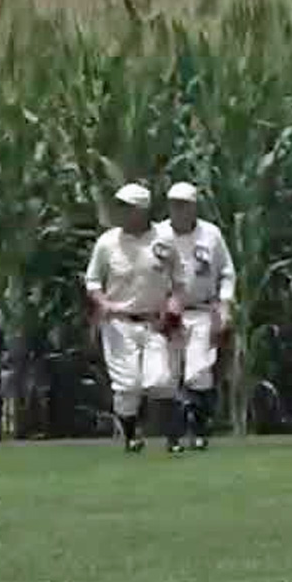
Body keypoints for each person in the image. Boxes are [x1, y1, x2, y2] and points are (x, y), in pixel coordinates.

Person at [85, 183, 187, 454]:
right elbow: (93, 281)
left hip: (155, 322)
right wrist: (103, 302)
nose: (122, 212)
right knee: (127, 386)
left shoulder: (165, 239)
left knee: (160, 381)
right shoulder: (107, 242)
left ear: (142, 211)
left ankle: (174, 436)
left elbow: (179, 281)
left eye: (128, 207)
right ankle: (131, 436)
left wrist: (175, 306)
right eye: (120, 206)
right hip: (119, 323)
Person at [159, 182, 235, 450]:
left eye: (184, 204)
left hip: (203, 310)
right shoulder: (159, 234)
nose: (178, 209)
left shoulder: (211, 235)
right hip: (168, 315)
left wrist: (224, 305)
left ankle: (199, 430)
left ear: (194, 206)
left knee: (198, 374)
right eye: (174, 204)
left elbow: (226, 272)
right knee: (167, 376)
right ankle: (173, 435)